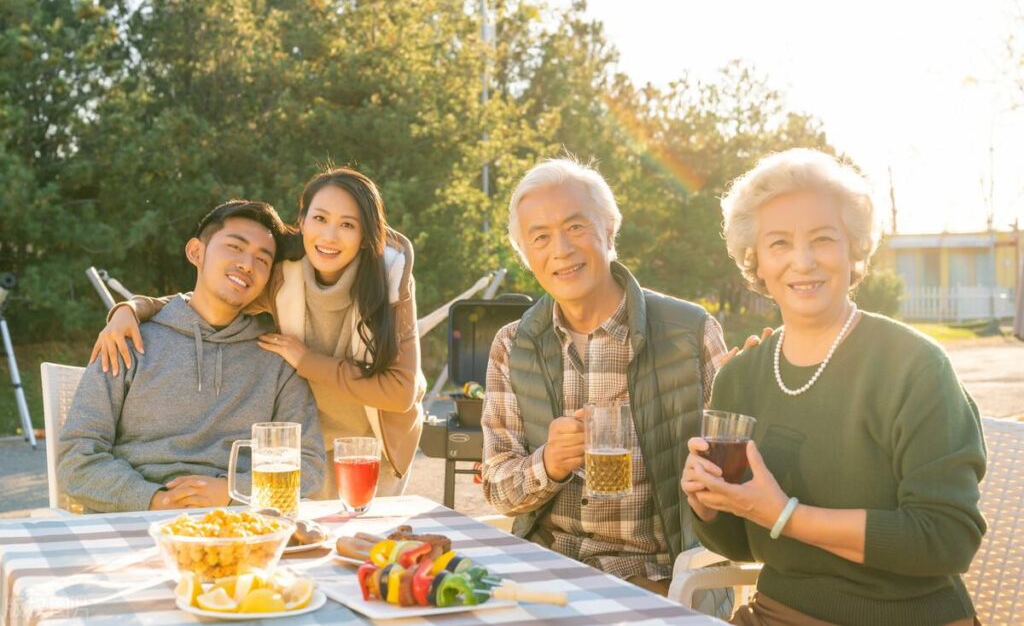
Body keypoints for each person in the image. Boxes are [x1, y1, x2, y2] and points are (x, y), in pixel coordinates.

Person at [682, 148, 986, 626]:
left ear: (854, 250)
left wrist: (785, 514)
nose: (802, 262)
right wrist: (711, 507)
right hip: (777, 615)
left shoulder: (914, 366)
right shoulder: (740, 378)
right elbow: (744, 541)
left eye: (823, 239)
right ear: (755, 261)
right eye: (779, 243)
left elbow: (947, 537)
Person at [481, 157, 736, 615]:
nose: (560, 249)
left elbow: (739, 477)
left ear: (609, 233)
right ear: (526, 255)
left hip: (663, 576)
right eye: (540, 237)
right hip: (549, 574)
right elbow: (499, 487)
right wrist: (549, 464)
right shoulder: (512, 346)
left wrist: (750, 401)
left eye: (576, 227)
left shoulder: (690, 331)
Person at [91, 168, 425, 498]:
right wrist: (132, 309)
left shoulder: (389, 280)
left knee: (368, 545)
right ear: (303, 221)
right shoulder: (281, 274)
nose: (329, 236)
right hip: (311, 445)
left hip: (369, 448)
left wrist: (307, 360)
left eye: (347, 225)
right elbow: (210, 295)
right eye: (320, 219)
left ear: (366, 235)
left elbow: (400, 392)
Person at [58, 201, 326, 513]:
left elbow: (308, 466)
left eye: (262, 260)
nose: (247, 264)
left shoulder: (278, 357)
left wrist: (231, 490)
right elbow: (76, 457)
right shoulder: (128, 339)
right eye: (234, 247)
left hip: (237, 522)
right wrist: (154, 499)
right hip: (135, 519)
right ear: (196, 252)